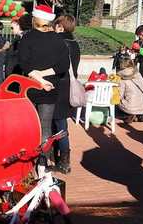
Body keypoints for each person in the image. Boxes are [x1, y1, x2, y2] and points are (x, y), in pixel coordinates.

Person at [18, 5, 69, 168]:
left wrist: (37, 76)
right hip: (51, 87)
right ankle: (42, 162)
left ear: (35, 19)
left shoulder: (27, 38)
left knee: (29, 125)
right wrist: (45, 75)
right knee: (46, 126)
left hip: (30, 86)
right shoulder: (58, 40)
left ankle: (27, 162)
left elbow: (23, 63)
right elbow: (63, 65)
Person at [50, 15, 80, 174]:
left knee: (56, 123)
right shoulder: (75, 44)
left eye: (56, 25)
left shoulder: (59, 43)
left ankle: (59, 160)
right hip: (67, 86)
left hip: (58, 85)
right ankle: (63, 161)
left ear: (61, 27)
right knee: (61, 123)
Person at [117, 58, 143, 124]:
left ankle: (127, 115)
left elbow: (120, 96)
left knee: (117, 103)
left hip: (130, 107)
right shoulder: (138, 74)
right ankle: (139, 115)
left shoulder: (122, 78)